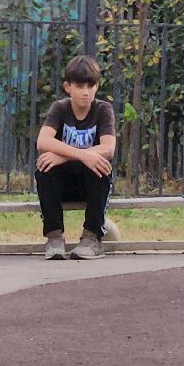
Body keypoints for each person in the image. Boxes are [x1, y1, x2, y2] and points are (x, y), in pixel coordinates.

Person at [35, 55, 116, 260]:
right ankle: (54, 238)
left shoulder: (103, 109)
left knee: (99, 165)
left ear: (97, 87)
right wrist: (79, 155)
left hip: (90, 185)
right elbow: (43, 142)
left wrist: (64, 155)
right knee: (45, 167)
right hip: (63, 185)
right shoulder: (60, 108)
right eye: (80, 86)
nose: (86, 92)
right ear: (67, 86)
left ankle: (92, 238)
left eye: (91, 86)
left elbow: (108, 148)